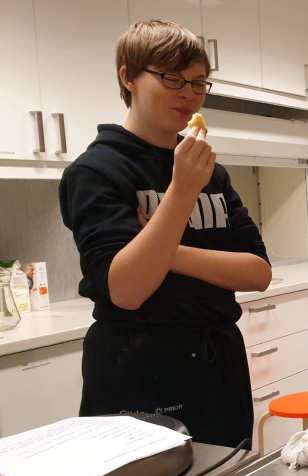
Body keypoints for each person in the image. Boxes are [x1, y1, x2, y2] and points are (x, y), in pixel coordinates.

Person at [59, 20, 271, 447]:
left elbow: (257, 272)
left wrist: (164, 250)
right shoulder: (96, 171)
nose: (188, 94)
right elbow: (128, 290)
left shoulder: (210, 171)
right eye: (171, 79)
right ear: (128, 77)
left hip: (218, 364)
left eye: (198, 83)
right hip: (138, 365)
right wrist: (181, 191)